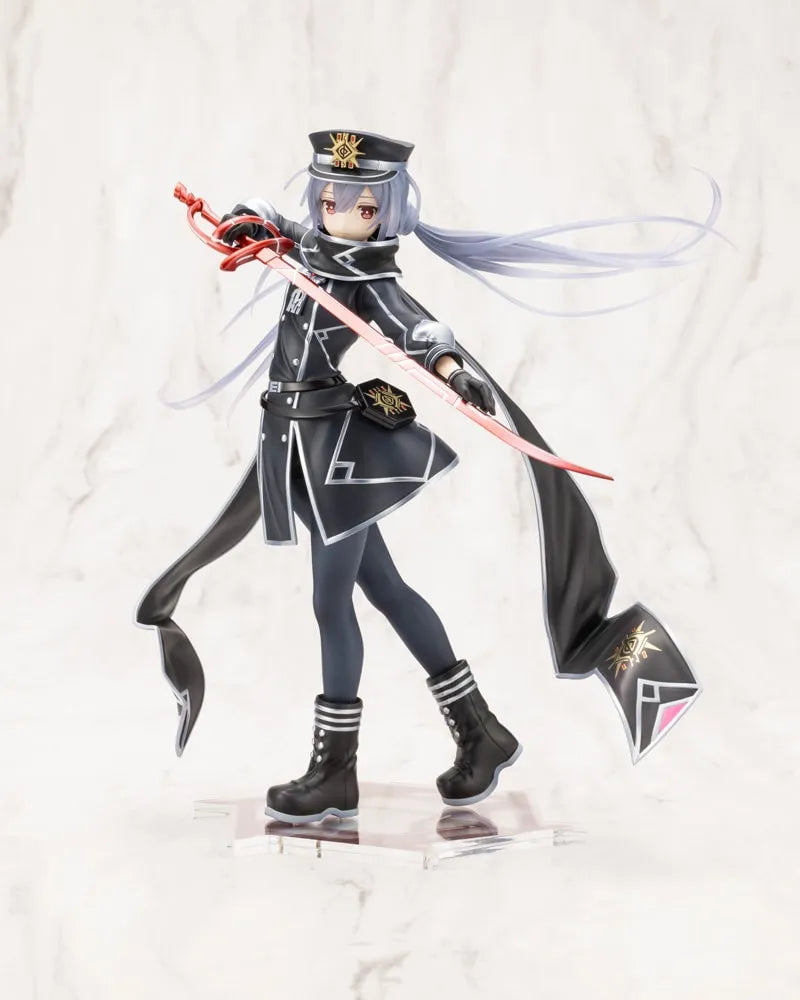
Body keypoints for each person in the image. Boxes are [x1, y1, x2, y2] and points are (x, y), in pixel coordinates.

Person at [136, 129, 715, 823]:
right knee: (386, 589)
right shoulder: (311, 252)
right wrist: (251, 221)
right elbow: (279, 227)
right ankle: (480, 731)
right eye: (328, 200)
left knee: (331, 602)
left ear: (384, 212)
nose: (338, 215)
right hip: (297, 444)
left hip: (336, 458)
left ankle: (336, 769)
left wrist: (450, 369)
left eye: (359, 207)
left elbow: (413, 327)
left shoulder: (369, 280)